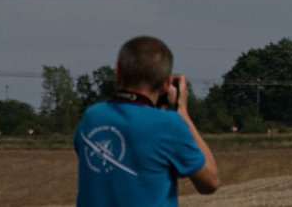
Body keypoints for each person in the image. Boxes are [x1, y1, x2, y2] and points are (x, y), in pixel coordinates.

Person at [74, 36, 220, 206]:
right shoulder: (168, 125)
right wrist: (182, 112)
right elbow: (210, 182)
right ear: (166, 84)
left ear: (118, 72)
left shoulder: (92, 117)